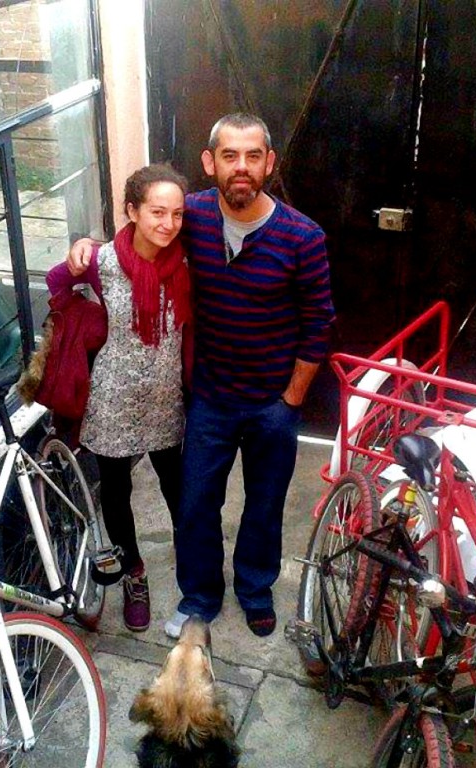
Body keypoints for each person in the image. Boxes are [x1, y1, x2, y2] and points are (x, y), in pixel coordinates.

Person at [68, 114, 335, 639]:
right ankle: (199, 598)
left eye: (253, 156)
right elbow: (143, 227)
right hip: (210, 398)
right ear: (210, 163)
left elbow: (319, 322)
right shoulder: (190, 216)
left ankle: (255, 589)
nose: (242, 167)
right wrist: (85, 245)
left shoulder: (303, 237)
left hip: (271, 404)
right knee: (195, 506)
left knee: (263, 505)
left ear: (269, 163)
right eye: (230, 156)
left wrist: (292, 398)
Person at [48, 163, 192, 632]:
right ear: (132, 210)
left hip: (166, 398)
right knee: (117, 491)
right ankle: (134, 574)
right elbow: (56, 283)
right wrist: (85, 308)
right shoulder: (103, 259)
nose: (168, 223)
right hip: (113, 397)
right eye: (156, 212)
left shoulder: (187, 259)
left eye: (176, 213)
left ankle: (195, 576)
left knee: (180, 491)